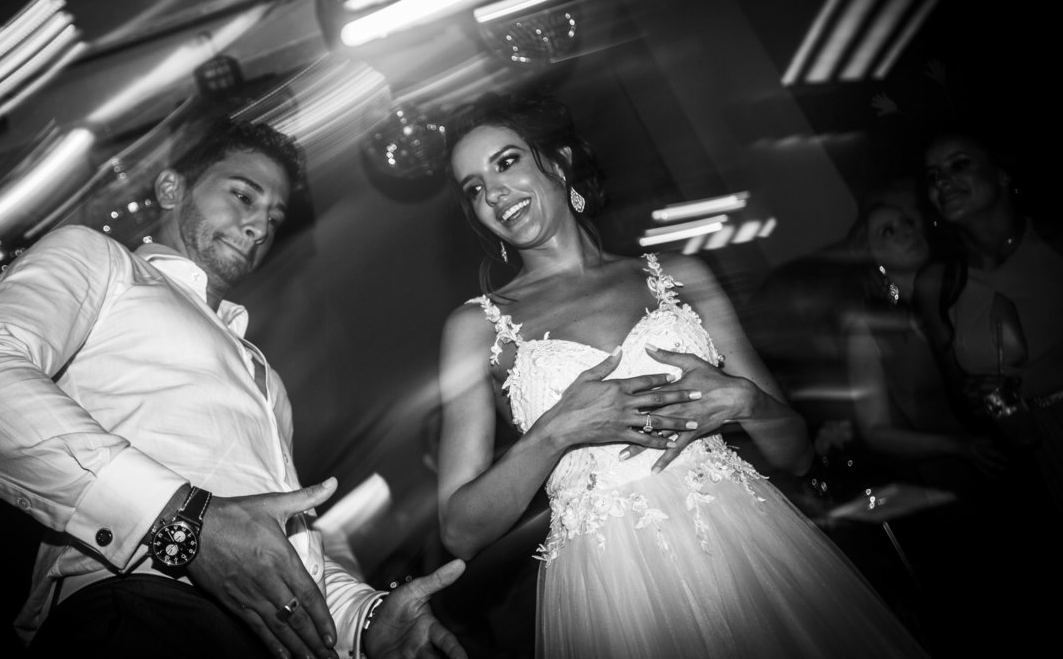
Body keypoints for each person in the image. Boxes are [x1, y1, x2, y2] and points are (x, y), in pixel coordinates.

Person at [0, 116, 467, 659]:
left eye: (274, 218)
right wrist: (181, 520)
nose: (259, 227)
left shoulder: (266, 378)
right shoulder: (101, 259)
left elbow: (279, 543)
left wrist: (365, 621)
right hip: (142, 611)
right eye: (243, 196)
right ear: (172, 189)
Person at [435, 93, 931, 658]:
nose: (494, 194)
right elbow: (460, 531)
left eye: (506, 162)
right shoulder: (475, 327)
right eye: (474, 188)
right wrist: (557, 430)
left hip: (748, 545)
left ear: (560, 162)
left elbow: (796, 454)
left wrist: (744, 401)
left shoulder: (681, 275)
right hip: (614, 585)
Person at [914, 129, 1063, 524]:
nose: (943, 182)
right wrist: (979, 397)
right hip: (1036, 448)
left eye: (959, 165)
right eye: (933, 176)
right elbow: (961, 393)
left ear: (1001, 173)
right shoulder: (937, 283)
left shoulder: (1054, 240)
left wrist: (1034, 383)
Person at [841, 189, 1007, 494]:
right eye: (889, 231)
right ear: (871, 257)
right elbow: (875, 431)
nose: (908, 231)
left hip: (1013, 442)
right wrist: (957, 446)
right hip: (953, 474)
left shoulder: (968, 286)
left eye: (907, 222)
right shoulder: (868, 328)